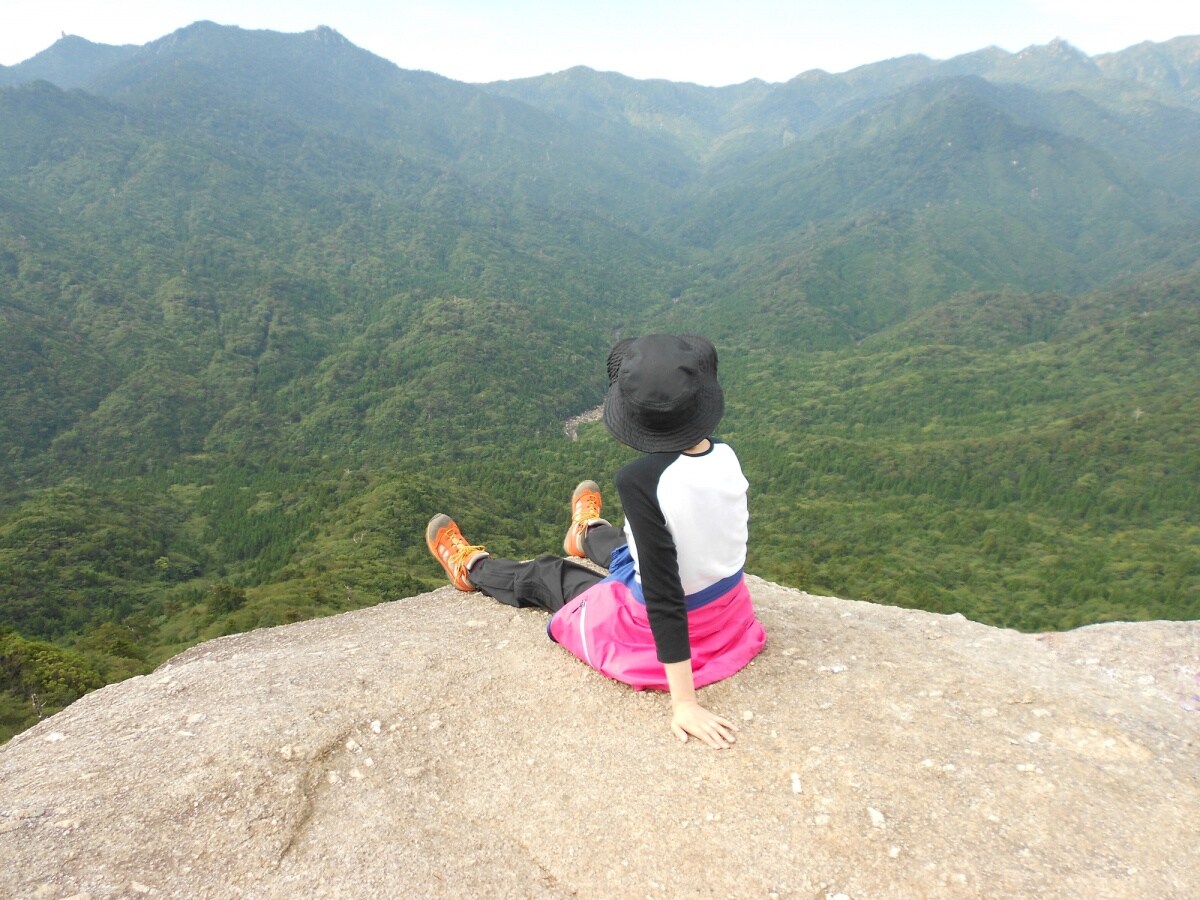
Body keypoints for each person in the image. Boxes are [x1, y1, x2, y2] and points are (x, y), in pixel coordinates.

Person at [425, 333, 766, 749]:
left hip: (670, 629)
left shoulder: (640, 481)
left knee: (550, 573)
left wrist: (684, 702)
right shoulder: (725, 454)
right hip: (729, 615)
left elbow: (662, 593)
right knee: (632, 548)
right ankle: (587, 533)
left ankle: (473, 569)